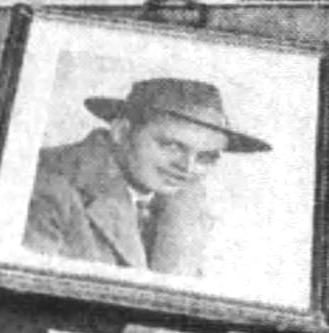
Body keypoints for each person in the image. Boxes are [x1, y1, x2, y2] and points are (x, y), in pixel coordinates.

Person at [24, 75, 269, 280]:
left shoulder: (187, 205)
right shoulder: (43, 183)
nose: (187, 167)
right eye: (172, 146)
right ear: (121, 132)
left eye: (205, 157)